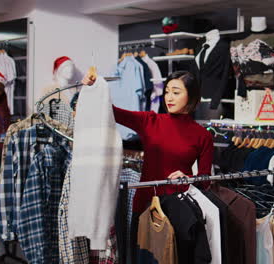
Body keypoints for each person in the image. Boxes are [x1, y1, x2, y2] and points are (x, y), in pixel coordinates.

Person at [82, 70, 214, 260]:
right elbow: (110, 111)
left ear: (191, 96)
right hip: (145, 204)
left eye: (176, 92)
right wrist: (92, 89)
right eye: (167, 91)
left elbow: (205, 181)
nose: (169, 97)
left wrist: (189, 178)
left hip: (179, 208)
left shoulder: (203, 135)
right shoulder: (151, 121)